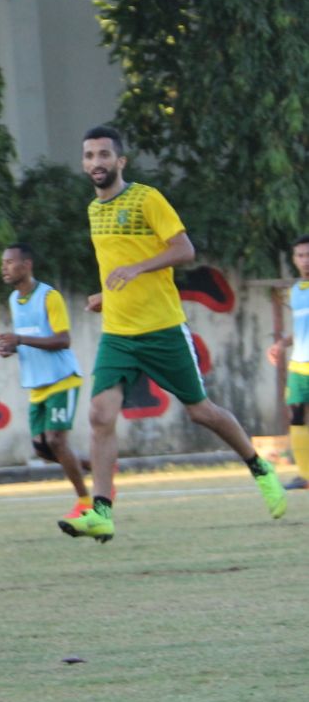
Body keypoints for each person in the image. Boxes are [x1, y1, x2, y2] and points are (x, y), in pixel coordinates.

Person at [61, 126, 287, 542]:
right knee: (99, 415)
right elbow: (119, 268)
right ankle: (102, 511)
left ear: (120, 161)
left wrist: (138, 268)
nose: (97, 162)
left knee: (201, 412)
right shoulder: (94, 210)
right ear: (83, 163)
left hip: (163, 329)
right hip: (119, 334)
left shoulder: (146, 198)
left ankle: (259, 466)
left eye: (104, 155)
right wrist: (105, 297)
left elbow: (184, 250)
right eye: (90, 155)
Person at [0, 242, 92, 525]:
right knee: (43, 450)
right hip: (37, 385)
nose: (5, 268)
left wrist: (20, 340)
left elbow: (63, 340)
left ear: (27, 265)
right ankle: (96, 466)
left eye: (10, 262)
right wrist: (12, 348)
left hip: (62, 379)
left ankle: (85, 503)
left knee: (56, 440)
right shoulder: (15, 300)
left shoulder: (49, 296)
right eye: (3, 263)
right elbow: (29, 338)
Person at [266, 234, 309, 491]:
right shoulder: (296, 291)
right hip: (298, 367)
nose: (306, 261)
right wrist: (282, 344)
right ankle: (305, 475)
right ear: (294, 259)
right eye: (301, 256)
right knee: (297, 418)